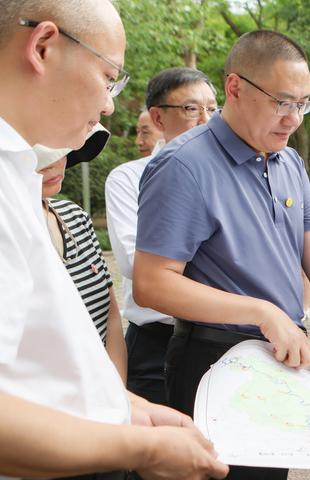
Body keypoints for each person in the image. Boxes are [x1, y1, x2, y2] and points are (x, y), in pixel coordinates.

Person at [0, 0, 226, 480]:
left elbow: (30, 367)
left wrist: (127, 411)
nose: (109, 106)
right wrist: (141, 451)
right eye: (108, 76)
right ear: (43, 46)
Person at [133, 29, 310, 480]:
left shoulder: (287, 160)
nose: (295, 118)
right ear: (235, 88)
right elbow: (152, 282)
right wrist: (262, 311)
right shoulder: (184, 166)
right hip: (215, 361)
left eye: (303, 103)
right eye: (283, 102)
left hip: (279, 359)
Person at [105, 66, 218, 405]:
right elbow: (132, 263)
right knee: (156, 450)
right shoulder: (128, 179)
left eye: (213, 109)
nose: (206, 119)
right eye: (191, 109)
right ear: (157, 118)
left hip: (224, 339)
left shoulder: (231, 174)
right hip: (156, 342)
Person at [35, 125, 128, 381]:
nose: (52, 165)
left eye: (60, 151)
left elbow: (110, 314)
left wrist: (118, 391)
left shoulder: (74, 215)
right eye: (39, 155)